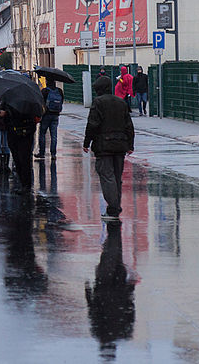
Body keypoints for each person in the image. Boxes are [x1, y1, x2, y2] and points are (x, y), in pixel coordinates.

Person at [83, 76, 135, 221]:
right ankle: (115, 206)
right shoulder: (121, 102)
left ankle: (113, 209)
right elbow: (129, 125)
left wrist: (87, 142)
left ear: (98, 90)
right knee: (117, 178)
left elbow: (92, 124)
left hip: (103, 146)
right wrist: (130, 145)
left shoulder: (98, 102)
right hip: (120, 145)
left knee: (107, 177)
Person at [85, 223, 136, 360]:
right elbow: (93, 313)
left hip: (113, 289)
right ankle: (112, 237)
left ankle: (113, 237)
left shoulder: (123, 334)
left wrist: (130, 290)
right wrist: (88, 293)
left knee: (115, 258)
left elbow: (130, 312)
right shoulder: (105, 333)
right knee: (110, 258)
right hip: (106, 288)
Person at [0, 99, 38, 193]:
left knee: (24, 159)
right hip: (13, 133)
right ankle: (23, 183)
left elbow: (33, 116)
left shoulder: (30, 102)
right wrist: (1, 113)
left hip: (25, 133)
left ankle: (26, 185)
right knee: (17, 159)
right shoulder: (7, 99)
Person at [34, 78, 63, 160]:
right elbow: (61, 102)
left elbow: (40, 102)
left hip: (46, 115)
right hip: (56, 115)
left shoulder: (45, 91)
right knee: (54, 135)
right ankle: (53, 154)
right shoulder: (59, 91)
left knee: (42, 134)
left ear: (47, 82)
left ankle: (42, 153)